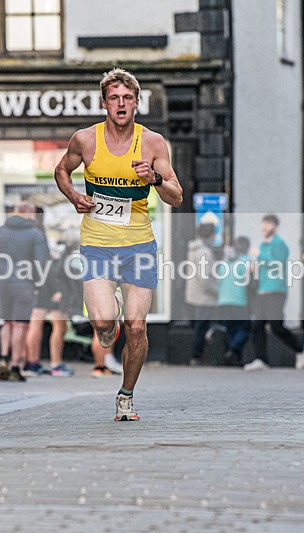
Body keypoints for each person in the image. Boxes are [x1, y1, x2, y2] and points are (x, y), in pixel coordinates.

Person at [54, 68, 183, 421]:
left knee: (137, 327)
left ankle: (126, 395)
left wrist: (154, 178)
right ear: (104, 103)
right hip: (97, 242)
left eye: (127, 98)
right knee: (101, 323)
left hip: (139, 244)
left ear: (137, 103)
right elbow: (61, 170)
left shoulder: (153, 142)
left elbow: (177, 196)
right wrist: (74, 197)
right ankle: (106, 318)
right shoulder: (86, 139)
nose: (121, 104)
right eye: (114, 98)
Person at [0, 202, 50, 382]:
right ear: (30, 213)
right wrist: (39, 283)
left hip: (2, 282)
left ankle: (3, 357)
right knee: (20, 325)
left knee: (6, 322)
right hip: (24, 283)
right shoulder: (35, 233)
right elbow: (42, 261)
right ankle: (16, 365)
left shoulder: (0, 231)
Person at [247, 214, 304, 371]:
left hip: (276, 290)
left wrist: (259, 256)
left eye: (268, 224)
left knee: (276, 326)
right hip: (262, 290)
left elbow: (277, 264)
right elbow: (264, 264)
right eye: (263, 223)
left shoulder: (279, 244)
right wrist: (254, 267)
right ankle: (261, 359)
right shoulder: (264, 245)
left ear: (275, 226)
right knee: (257, 325)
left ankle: (301, 349)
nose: (264, 227)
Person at [24, 238, 81, 378]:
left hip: (42, 288)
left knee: (41, 325)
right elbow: (54, 269)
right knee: (59, 327)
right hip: (55, 291)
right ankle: (54, 364)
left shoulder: (39, 242)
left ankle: (33, 362)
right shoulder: (49, 245)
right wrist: (56, 289)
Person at [185, 223, 220, 366]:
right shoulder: (204, 251)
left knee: (199, 326)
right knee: (202, 327)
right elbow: (204, 277)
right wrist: (216, 291)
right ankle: (197, 356)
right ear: (211, 234)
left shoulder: (193, 249)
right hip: (204, 296)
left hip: (193, 295)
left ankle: (197, 355)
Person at [217, 236, 252, 366]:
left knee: (230, 329)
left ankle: (233, 356)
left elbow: (219, 281)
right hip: (239, 300)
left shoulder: (225, 261)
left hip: (223, 301)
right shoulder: (246, 261)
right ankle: (233, 349)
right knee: (245, 327)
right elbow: (250, 282)